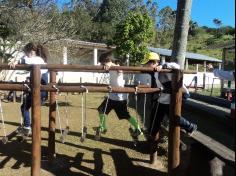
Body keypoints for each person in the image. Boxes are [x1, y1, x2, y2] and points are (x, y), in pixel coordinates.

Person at [141, 52, 197, 163]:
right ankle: (152, 133)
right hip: (164, 98)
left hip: (178, 95)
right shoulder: (155, 72)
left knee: (172, 116)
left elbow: (177, 67)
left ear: (153, 63)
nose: (146, 66)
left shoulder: (164, 68)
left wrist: (164, 66)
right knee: (155, 115)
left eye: (147, 64)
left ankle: (191, 126)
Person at [96, 52, 142, 139]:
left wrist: (112, 66)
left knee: (125, 115)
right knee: (101, 109)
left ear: (108, 61)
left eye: (103, 63)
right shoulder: (110, 68)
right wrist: (106, 67)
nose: (102, 65)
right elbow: (100, 70)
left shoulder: (117, 67)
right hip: (112, 96)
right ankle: (103, 127)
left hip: (119, 98)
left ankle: (138, 128)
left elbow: (120, 70)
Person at [9, 42, 49, 136]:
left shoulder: (36, 59)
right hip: (41, 91)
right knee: (26, 107)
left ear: (31, 52)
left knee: (24, 107)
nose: (25, 55)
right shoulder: (39, 60)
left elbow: (25, 61)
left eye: (26, 53)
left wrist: (16, 62)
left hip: (39, 91)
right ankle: (28, 127)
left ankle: (27, 127)